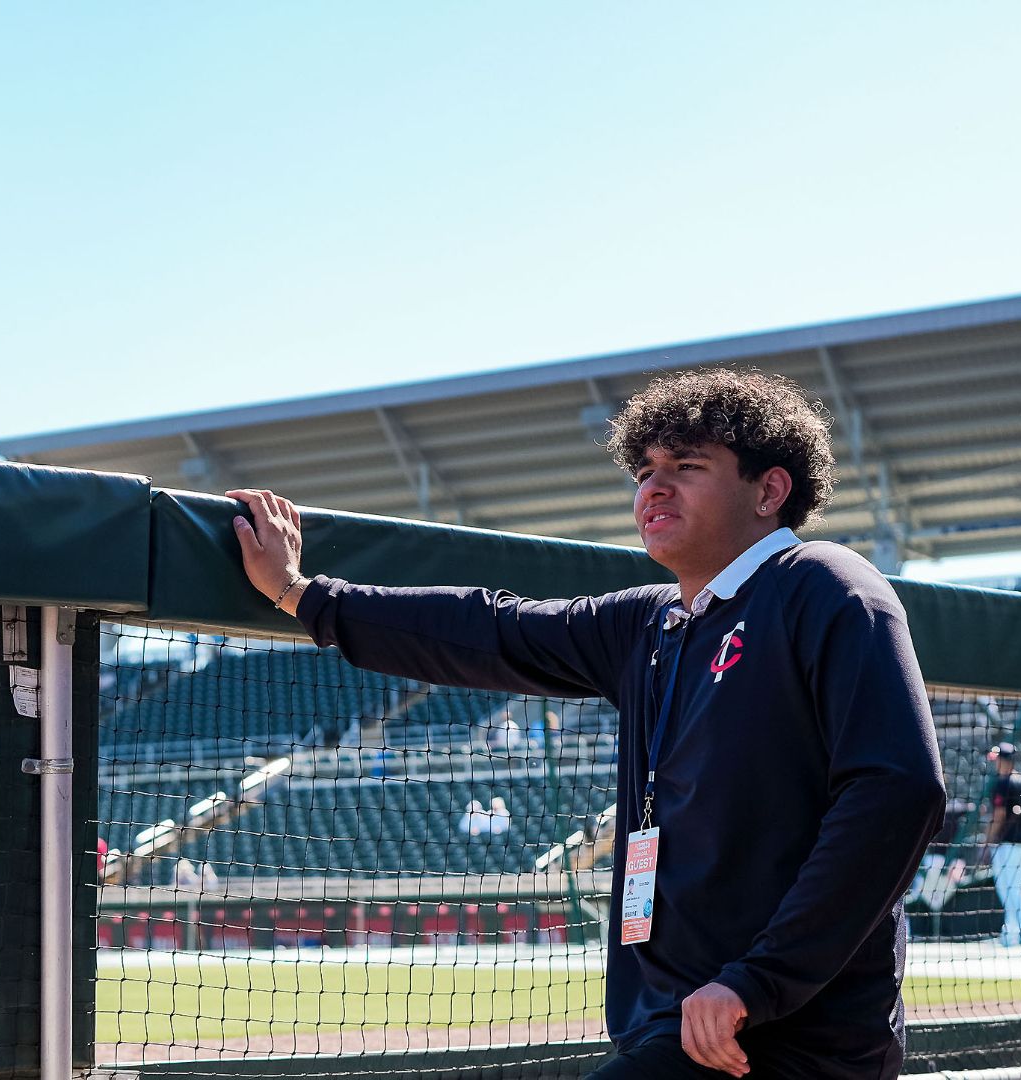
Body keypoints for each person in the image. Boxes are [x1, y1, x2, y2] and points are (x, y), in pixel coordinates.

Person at [228, 368, 946, 1079]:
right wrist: (301, 595)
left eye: (686, 466)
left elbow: (897, 789)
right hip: (670, 1022)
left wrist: (758, 982)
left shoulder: (825, 585)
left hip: (786, 1035)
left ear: (769, 489)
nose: (653, 488)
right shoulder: (650, 623)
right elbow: (491, 628)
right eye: (645, 470)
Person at [984, 743, 1021, 946]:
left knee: (1007, 889)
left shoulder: (1002, 783)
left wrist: (988, 840)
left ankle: (1013, 932)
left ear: (1003, 760)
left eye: (998, 759)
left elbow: (999, 816)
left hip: (1006, 844)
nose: (996, 763)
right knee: (1017, 889)